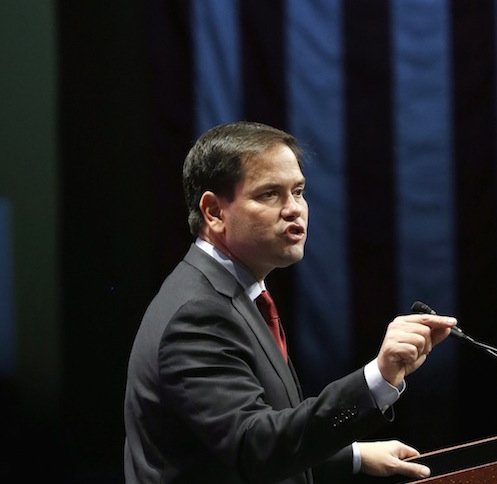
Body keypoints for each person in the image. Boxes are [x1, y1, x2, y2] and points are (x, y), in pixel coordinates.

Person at [123, 121, 457, 483]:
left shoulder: (236, 293)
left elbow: (230, 441)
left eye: (298, 191)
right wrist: (376, 378)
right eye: (270, 194)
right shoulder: (198, 314)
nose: (294, 209)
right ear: (214, 212)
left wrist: (354, 455)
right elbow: (254, 446)